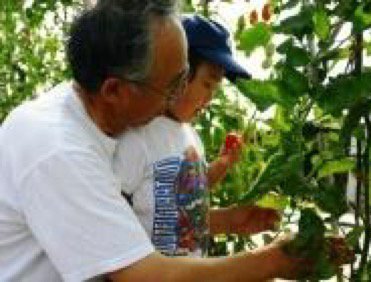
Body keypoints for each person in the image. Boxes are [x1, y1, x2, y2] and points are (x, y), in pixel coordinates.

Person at [0, 1, 312, 281]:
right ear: (115, 90)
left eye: (185, 76)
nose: (178, 97)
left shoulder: (107, 120)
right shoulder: (58, 151)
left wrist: (224, 220)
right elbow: (144, 275)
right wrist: (270, 262)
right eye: (172, 86)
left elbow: (139, 221)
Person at [114, 15, 280, 258]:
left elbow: (189, 196)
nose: (210, 98)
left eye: (216, 89)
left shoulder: (190, 137)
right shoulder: (139, 135)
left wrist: (221, 171)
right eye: (207, 84)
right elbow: (111, 216)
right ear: (177, 73)